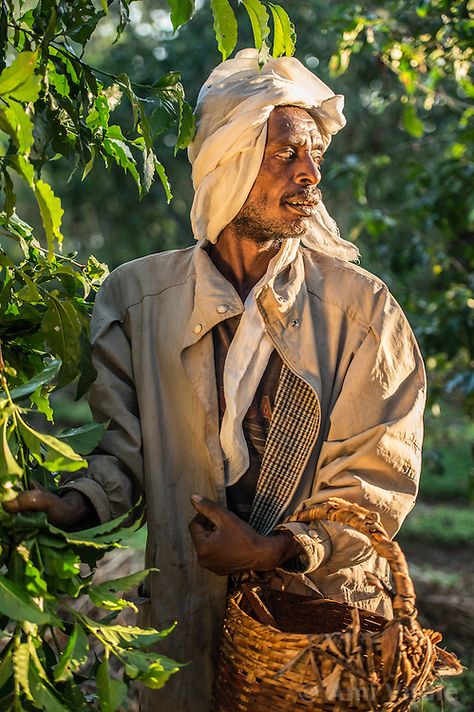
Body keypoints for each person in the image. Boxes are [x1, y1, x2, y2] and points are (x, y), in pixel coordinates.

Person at [4, 49, 426, 711]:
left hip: (309, 636)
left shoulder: (360, 312)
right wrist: (77, 504)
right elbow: (128, 453)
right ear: (229, 163)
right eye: (285, 153)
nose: (310, 174)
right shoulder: (140, 299)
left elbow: (376, 478)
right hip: (183, 627)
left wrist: (268, 550)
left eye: (315, 153)